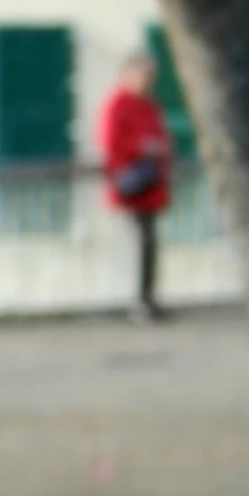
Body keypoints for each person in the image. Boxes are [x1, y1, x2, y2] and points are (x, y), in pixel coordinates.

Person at [100, 50, 173, 322]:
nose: (148, 80)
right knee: (142, 244)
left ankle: (147, 298)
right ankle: (141, 300)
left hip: (151, 185)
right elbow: (111, 143)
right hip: (133, 185)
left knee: (150, 244)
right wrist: (142, 147)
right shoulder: (118, 104)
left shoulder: (150, 106)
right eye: (144, 74)